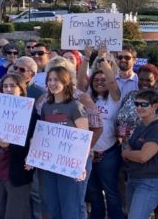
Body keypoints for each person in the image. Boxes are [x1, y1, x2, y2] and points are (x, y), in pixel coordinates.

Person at [35, 66, 92, 219]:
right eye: (50, 80)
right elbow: (44, 135)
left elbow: (84, 139)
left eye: (57, 80)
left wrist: (81, 165)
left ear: (66, 82)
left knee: (71, 208)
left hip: (72, 164)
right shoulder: (46, 106)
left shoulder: (75, 106)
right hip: (51, 164)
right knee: (53, 207)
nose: (52, 83)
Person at [0, 73, 37, 219]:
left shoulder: (30, 112)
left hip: (18, 170)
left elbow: (32, 143)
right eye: (5, 86)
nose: (8, 89)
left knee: (16, 213)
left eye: (12, 86)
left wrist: (10, 144)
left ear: (21, 89)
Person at [121, 90, 158, 219]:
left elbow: (143, 156)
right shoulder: (140, 127)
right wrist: (130, 152)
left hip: (150, 181)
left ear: (155, 106)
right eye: (137, 104)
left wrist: (127, 153)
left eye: (144, 104)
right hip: (133, 178)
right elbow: (132, 148)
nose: (139, 107)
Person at [85, 54, 123, 219]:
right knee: (93, 193)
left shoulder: (114, 99)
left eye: (103, 79)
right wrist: (86, 58)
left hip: (109, 153)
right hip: (88, 152)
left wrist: (102, 59)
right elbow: (80, 82)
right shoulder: (86, 98)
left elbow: (113, 82)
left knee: (111, 193)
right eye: (96, 80)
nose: (100, 82)